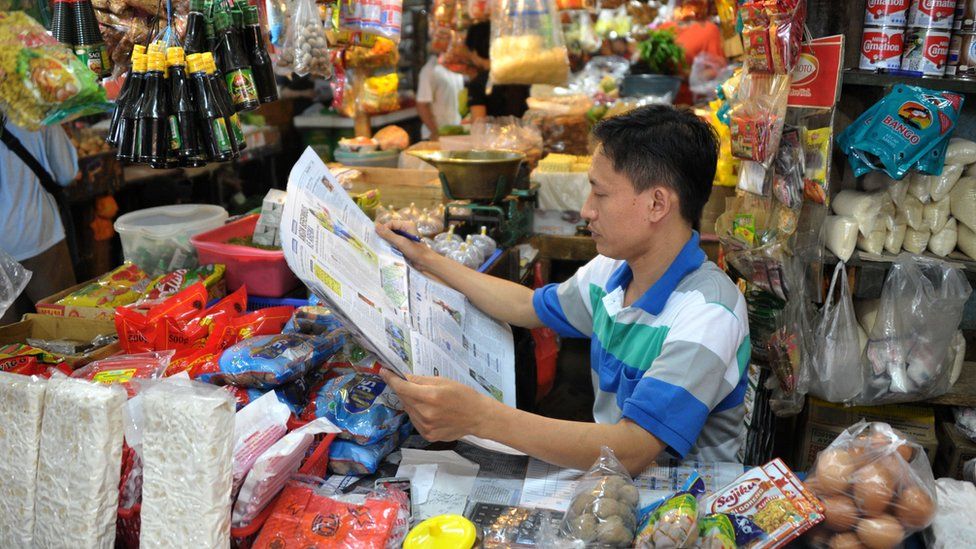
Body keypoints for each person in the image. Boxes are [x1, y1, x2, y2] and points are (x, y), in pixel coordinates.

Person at [376, 105, 749, 474]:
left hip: (688, 506)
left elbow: (634, 448)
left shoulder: (709, 311)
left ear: (657, 204)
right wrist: (425, 258)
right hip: (610, 482)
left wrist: (482, 417)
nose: (586, 211)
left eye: (599, 194)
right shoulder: (613, 272)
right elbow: (527, 306)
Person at [0, 117, 79, 325]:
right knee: (66, 330)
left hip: (4, 249)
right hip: (39, 235)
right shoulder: (38, 108)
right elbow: (66, 173)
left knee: (6, 346)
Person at [463, 20, 530, 120]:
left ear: (475, 51)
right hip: (528, 133)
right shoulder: (520, 74)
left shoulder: (477, 83)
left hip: (497, 135)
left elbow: (479, 123)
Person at [416, 37, 465, 140]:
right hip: (436, 135)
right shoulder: (429, 71)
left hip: (455, 132)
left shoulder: (456, 69)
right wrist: (435, 132)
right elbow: (422, 105)